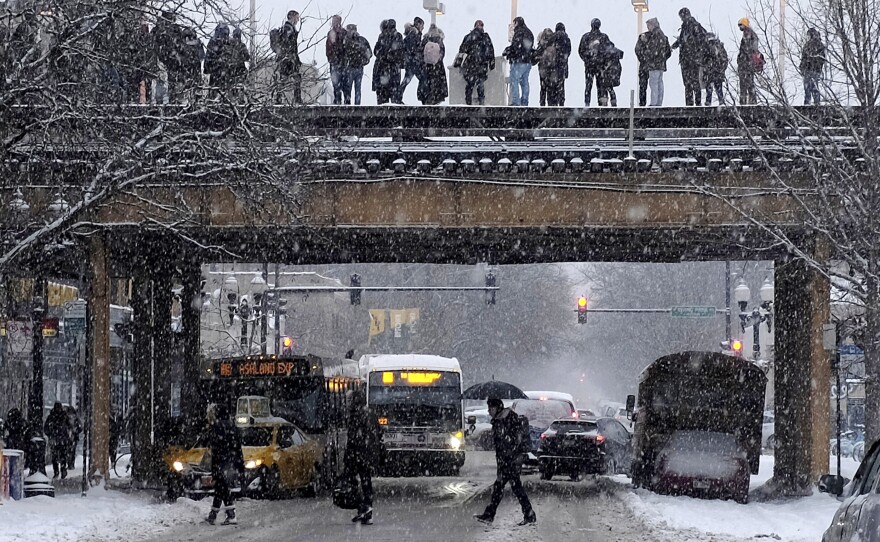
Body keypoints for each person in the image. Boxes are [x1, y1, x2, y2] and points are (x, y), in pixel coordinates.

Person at [474, 397, 536, 526]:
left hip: (510, 460)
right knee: (507, 487)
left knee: (507, 487)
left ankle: (527, 514)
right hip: (505, 460)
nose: (489, 411)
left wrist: (509, 453)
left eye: (491, 408)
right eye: (488, 408)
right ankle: (528, 514)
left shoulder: (508, 419)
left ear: (498, 408)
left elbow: (513, 440)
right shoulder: (499, 420)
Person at [344, 390, 380, 525]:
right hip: (366, 455)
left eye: (349, 400)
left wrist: (350, 455)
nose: (348, 404)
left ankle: (363, 508)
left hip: (358, 455)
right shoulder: (370, 413)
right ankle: (366, 509)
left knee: (354, 482)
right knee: (365, 482)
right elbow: (377, 433)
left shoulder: (356, 415)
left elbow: (353, 438)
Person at [205, 404, 244, 526]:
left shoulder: (217, 428)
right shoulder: (233, 427)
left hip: (221, 463)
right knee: (220, 488)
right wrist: (240, 464)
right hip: (231, 463)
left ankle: (231, 515)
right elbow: (238, 447)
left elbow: (216, 450)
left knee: (223, 488)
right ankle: (213, 514)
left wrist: (214, 469)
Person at [672, 8, 708, 106]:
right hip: (687, 59)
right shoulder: (685, 27)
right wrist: (674, 45)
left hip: (691, 58)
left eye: (682, 17)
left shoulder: (694, 26)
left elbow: (702, 38)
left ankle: (696, 103)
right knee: (688, 83)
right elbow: (682, 40)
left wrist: (695, 49)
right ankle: (691, 103)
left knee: (693, 82)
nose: (681, 19)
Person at [456, 20, 495, 106]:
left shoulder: (468, 37)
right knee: (480, 84)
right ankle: (481, 103)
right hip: (482, 65)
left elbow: (462, 50)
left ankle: (468, 103)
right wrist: (492, 64)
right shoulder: (485, 37)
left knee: (470, 84)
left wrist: (458, 64)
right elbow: (490, 51)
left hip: (470, 65)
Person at [635, 18, 671, 107]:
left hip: (653, 64)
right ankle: (659, 102)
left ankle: (654, 103)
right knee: (659, 82)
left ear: (653, 25)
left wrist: (646, 57)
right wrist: (662, 59)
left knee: (653, 83)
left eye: (649, 25)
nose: (648, 28)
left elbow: (652, 49)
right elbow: (668, 52)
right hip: (660, 64)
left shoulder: (655, 35)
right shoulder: (663, 35)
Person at [578, 18, 611, 107]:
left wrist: (587, 59)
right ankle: (601, 104)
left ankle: (587, 103)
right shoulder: (604, 37)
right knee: (601, 86)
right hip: (600, 66)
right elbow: (610, 49)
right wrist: (603, 61)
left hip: (589, 66)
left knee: (588, 85)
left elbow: (581, 51)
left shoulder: (586, 37)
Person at [373, 19, 405, 105]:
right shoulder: (394, 36)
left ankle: (385, 115)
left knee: (384, 97)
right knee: (393, 96)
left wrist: (385, 56)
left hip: (386, 70)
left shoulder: (384, 37)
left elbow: (376, 51)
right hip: (391, 70)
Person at [504, 17, 534, 106]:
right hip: (528, 61)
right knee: (525, 81)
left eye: (514, 23)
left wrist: (509, 51)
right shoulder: (529, 32)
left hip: (518, 60)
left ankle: (515, 101)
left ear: (517, 23)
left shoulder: (519, 33)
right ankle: (525, 101)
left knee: (514, 80)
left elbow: (516, 47)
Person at [275, 10, 302, 104]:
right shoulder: (288, 28)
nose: (298, 20)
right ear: (291, 16)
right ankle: (296, 99)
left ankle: (279, 97)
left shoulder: (289, 28)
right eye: (297, 17)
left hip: (287, 57)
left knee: (284, 77)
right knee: (293, 77)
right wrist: (291, 56)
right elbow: (287, 43)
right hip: (288, 58)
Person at [417, 24, 448, 105]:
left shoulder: (425, 40)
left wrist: (423, 62)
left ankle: (426, 98)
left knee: (426, 82)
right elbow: (442, 54)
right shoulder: (439, 40)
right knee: (436, 83)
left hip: (426, 67)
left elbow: (420, 53)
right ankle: (435, 98)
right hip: (437, 67)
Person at [342, 24, 371, 105]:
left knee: (348, 88)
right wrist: (364, 61)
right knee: (357, 88)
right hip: (358, 67)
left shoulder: (346, 40)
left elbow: (342, 53)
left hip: (350, 67)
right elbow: (369, 53)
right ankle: (357, 105)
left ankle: (348, 106)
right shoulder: (362, 40)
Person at [399, 17, 425, 103]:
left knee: (406, 80)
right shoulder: (414, 34)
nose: (423, 27)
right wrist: (418, 52)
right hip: (414, 62)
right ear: (419, 24)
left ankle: (397, 96)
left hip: (410, 62)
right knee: (423, 78)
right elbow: (412, 48)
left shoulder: (413, 33)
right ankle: (422, 97)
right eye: (422, 25)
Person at [737, 18, 761, 105]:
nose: (740, 27)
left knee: (745, 83)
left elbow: (747, 49)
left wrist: (742, 59)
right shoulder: (750, 34)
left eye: (741, 25)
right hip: (747, 63)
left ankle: (745, 102)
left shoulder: (748, 34)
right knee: (749, 83)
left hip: (746, 64)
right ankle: (752, 101)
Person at [44, 402, 72, 479]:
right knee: (62, 456)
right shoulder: (64, 416)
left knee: (55, 457)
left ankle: (57, 471)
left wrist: (50, 434)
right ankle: (62, 470)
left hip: (55, 439)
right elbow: (70, 426)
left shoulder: (51, 416)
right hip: (62, 439)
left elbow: (46, 428)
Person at [326, 15, 348, 105]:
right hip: (336, 62)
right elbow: (328, 47)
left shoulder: (343, 33)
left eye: (335, 21)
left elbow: (346, 47)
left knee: (343, 83)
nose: (334, 23)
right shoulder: (332, 33)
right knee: (337, 84)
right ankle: (339, 100)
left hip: (341, 62)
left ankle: (344, 101)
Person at [800, 28, 825, 106]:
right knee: (813, 87)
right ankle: (815, 104)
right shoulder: (819, 44)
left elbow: (805, 57)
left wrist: (803, 66)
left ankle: (809, 103)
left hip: (810, 69)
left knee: (809, 88)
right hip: (813, 69)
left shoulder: (811, 44)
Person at [703, 33, 728, 105]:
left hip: (712, 71)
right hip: (716, 71)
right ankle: (720, 102)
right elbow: (725, 60)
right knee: (718, 88)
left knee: (711, 88)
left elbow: (703, 60)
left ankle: (709, 103)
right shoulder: (719, 46)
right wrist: (722, 69)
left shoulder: (708, 47)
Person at [205, 23, 231, 90]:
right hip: (224, 78)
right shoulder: (229, 44)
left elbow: (207, 61)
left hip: (218, 77)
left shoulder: (213, 42)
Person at [599, 41, 624, 107]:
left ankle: (605, 102)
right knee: (609, 87)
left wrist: (603, 69)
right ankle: (613, 101)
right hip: (614, 72)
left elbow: (603, 63)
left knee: (605, 86)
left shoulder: (606, 53)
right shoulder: (615, 53)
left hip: (609, 72)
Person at [536, 28, 555, 106]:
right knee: (551, 87)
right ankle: (551, 104)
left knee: (543, 87)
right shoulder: (553, 44)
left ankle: (542, 103)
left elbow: (537, 55)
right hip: (551, 68)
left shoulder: (542, 44)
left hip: (543, 68)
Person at [65, 406, 82, 471]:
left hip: (73, 436)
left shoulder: (74, 419)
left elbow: (80, 427)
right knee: (70, 450)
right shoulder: (73, 419)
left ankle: (70, 463)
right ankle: (70, 463)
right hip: (70, 436)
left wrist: (75, 431)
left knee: (71, 450)